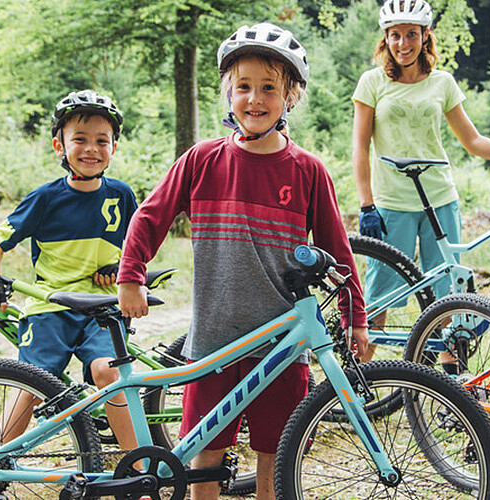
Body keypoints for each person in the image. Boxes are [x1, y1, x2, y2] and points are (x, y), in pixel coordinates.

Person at [116, 23, 369, 500]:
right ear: (227, 94)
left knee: (278, 453)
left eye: (269, 87)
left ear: (291, 96)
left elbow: (338, 250)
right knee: (205, 455)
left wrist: (357, 319)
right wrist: (131, 276)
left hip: (281, 342)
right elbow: (149, 217)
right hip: (213, 340)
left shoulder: (307, 170)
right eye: (243, 87)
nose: (255, 99)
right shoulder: (201, 160)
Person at [352, 0, 490, 362]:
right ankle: (361, 380)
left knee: (447, 291)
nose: (403, 43)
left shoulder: (442, 82)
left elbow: (473, 142)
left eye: (411, 34)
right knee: (380, 291)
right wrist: (366, 203)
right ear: (386, 39)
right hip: (391, 203)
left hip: (439, 198)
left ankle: (453, 385)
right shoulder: (373, 82)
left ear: (425, 36)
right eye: (395, 35)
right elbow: (359, 147)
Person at [0, 89, 140, 449]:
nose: (91, 149)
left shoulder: (122, 195)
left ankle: (139, 469)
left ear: (114, 147)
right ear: (59, 145)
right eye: (79, 140)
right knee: (34, 382)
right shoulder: (46, 198)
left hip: (101, 309)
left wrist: (122, 266)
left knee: (108, 372)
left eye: (102, 140)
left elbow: (139, 243)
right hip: (51, 307)